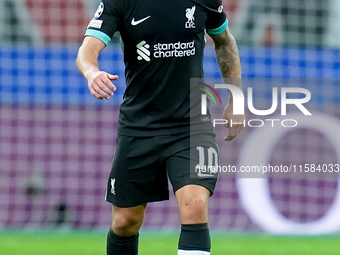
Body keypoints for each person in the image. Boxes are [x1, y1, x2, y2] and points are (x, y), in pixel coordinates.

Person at [76, 0, 244, 254]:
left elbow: (224, 41)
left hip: (190, 124)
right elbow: (87, 51)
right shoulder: (119, 2)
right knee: (125, 222)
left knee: (195, 204)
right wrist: (92, 73)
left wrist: (236, 98)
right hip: (138, 126)